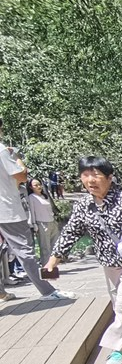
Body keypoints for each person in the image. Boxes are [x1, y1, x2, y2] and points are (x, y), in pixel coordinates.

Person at [44, 156, 122, 364]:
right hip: (108, 264)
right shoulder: (83, 205)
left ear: (109, 177)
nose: (90, 180)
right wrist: (54, 260)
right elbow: (71, 232)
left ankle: (119, 350)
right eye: (86, 175)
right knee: (120, 304)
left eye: (96, 175)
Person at [0, 118, 73, 301]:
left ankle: (1, 292)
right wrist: (17, 158)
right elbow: (22, 176)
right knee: (27, 253)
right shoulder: (2, 151)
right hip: (8, 211)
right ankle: (48, 291)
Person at [27, 178, 60, 264]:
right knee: (45, 247)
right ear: (31, 187)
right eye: (35, 185)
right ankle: (46, 266)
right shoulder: (31, 197)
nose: (38, 186)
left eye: (39, 184)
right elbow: (32, 211)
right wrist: (34, 224)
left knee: (55, 245)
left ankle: (53, 265)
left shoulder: (45, 196)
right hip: (41, 223)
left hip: (52, 222)